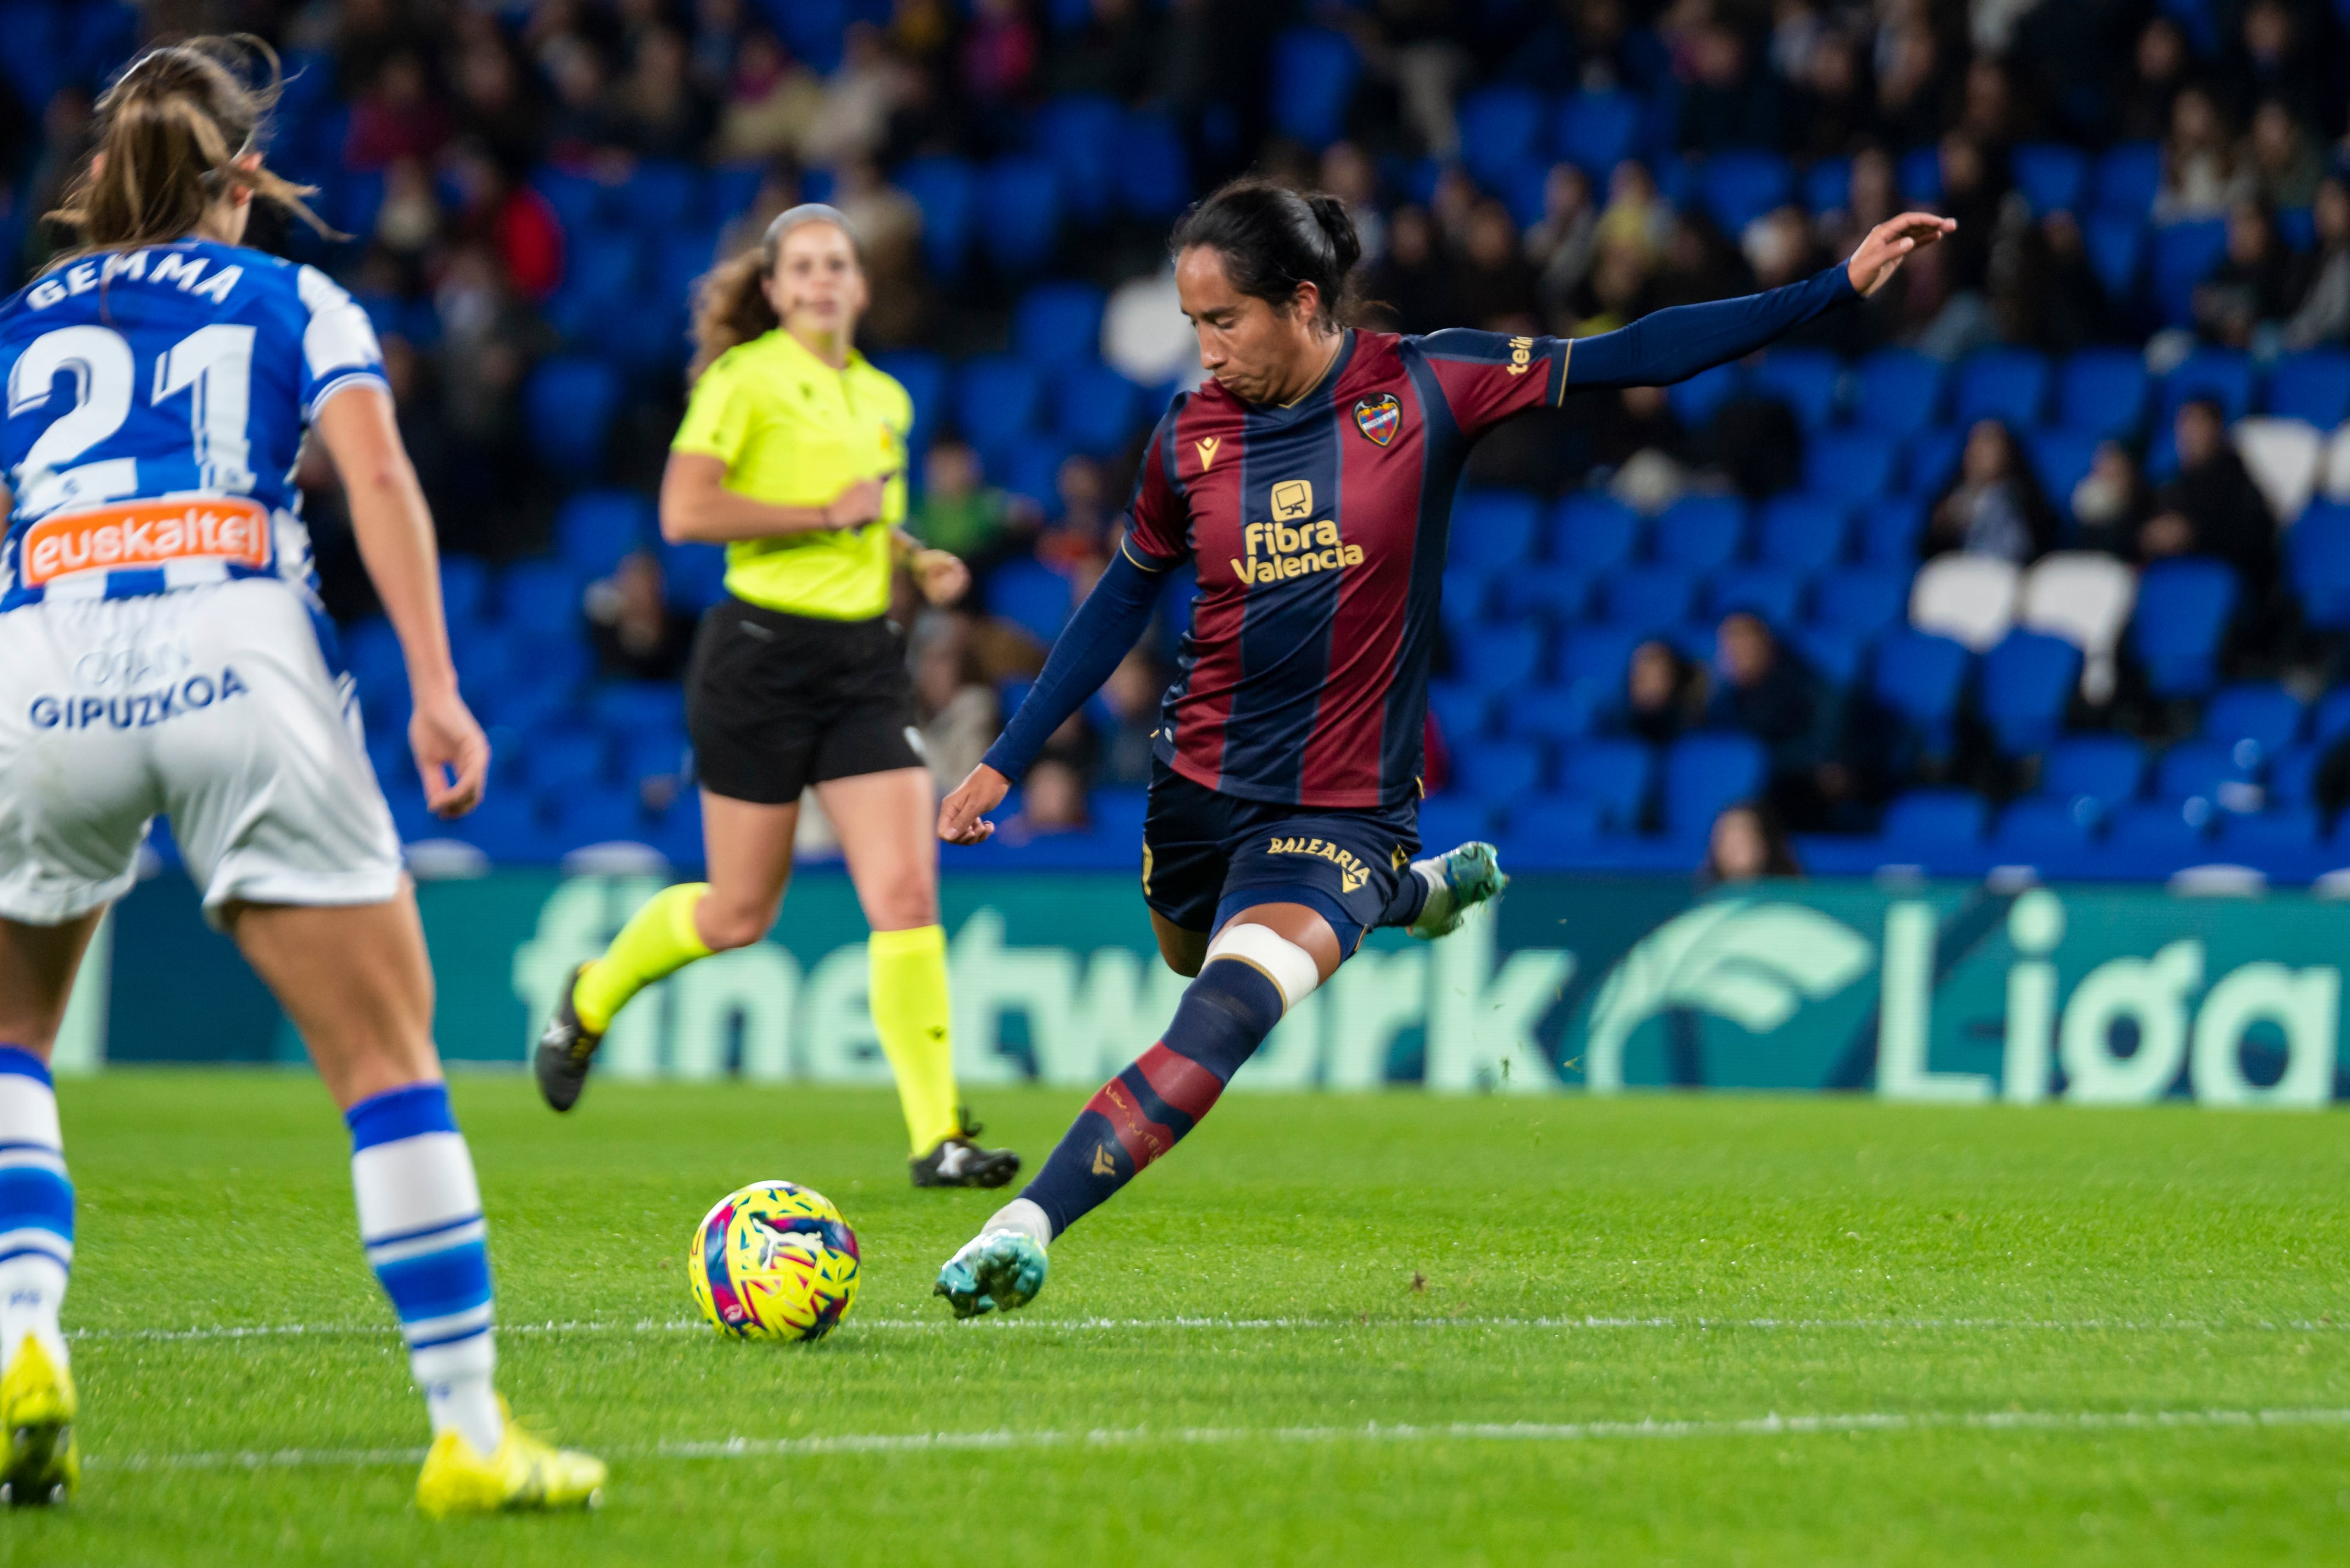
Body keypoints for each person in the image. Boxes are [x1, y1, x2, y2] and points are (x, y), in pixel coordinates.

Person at [926, 178, 1954, 1318]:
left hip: (1342, 804)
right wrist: (1007, 755)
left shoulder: (1423, 383)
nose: (1206, 351)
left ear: (1304, 302)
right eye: (1192, 326)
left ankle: (1022, 1226)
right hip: (1197, 788)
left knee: (1222, 1007)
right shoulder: (1186, 439)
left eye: (1224, 321)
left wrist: (1831, 287)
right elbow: (1124, 596)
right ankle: (1410, 898)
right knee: (1185, 951)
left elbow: (1639, 353)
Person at [0, 40, 602, 1512]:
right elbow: (379, 475)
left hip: (42, 647)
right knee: (392, 1062)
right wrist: (441, 691)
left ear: (103, 181)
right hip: (231, 631)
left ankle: (21, 1338)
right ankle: (468, 1431)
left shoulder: (19, 323)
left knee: (11, 1038)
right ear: (246, 179)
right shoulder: (293, 295)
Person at [533, 204, 1020, 1190]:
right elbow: (684, 511)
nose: (821, 281)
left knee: (906, 890)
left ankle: (939, 1137)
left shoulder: (885, 398)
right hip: (757, 658)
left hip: (861, 666)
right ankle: (591, 997)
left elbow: (865, 521)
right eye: (800, 267)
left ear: (861, 283)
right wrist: (819, 515)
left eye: (836, 264)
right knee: (736, 913)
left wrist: (913, 555)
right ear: (772, 288)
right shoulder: (740, 380)